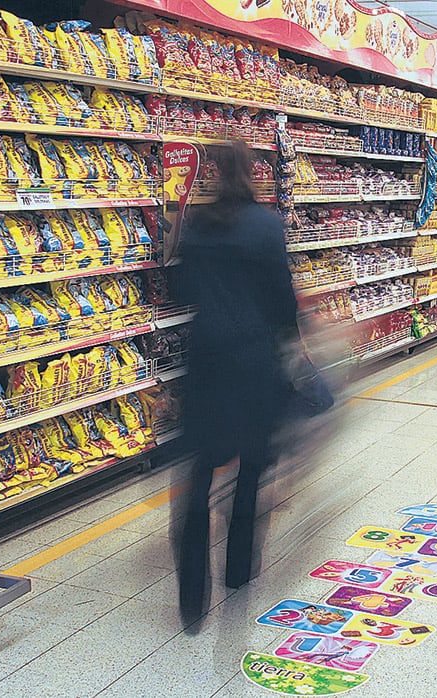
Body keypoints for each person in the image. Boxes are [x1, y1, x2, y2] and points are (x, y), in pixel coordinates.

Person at [168, 141, 300, 626]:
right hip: (254, 361)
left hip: (208, 360)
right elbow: (283, 304)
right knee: (249, 473)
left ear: (211, 176)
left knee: (198, 476)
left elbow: (180, 290)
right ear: (253, 173)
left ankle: (191, 600)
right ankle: (238, 573)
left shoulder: (198, 225)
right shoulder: (267, 226)